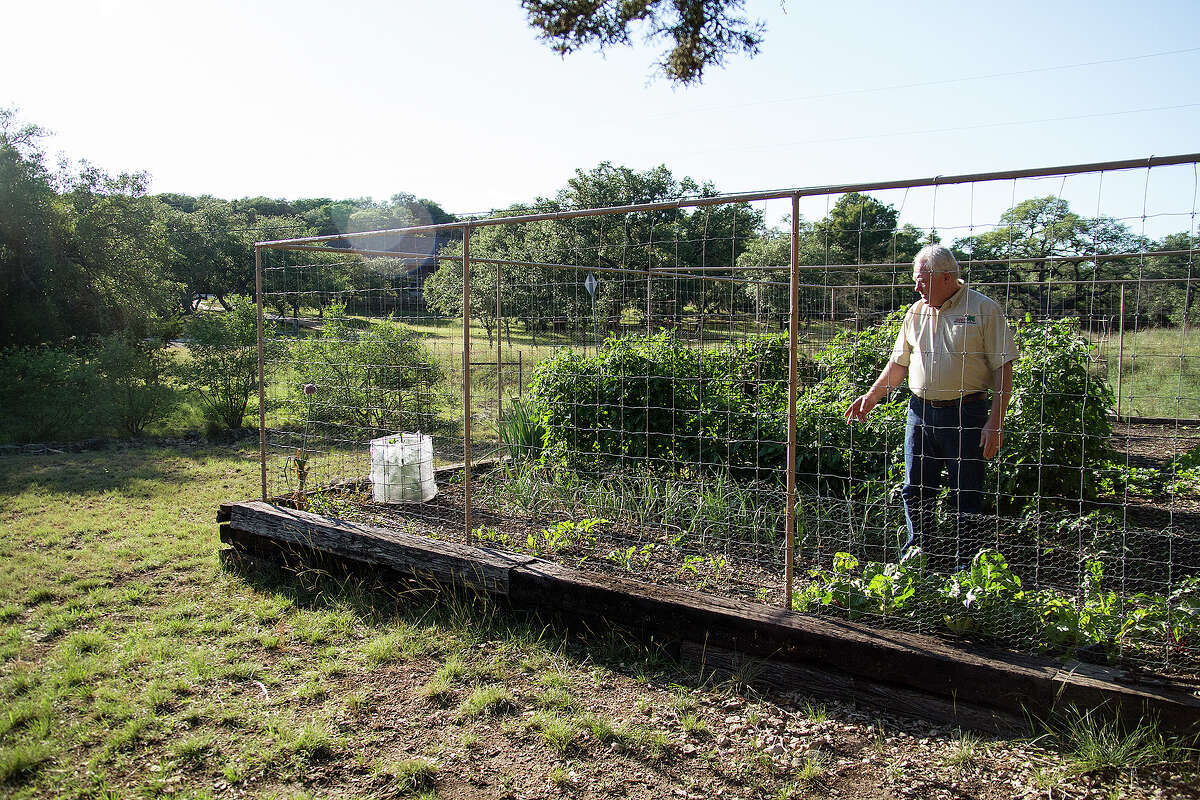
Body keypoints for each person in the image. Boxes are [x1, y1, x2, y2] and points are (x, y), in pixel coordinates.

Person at [844, 245, 1017, 570]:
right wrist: (870, 398)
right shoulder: (916, 312)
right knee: (915, 490)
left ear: (946, 277)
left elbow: (1003, 367)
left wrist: (995, 422)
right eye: (916, 281)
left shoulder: (983, 309)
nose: (916, 287)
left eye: (922, 280)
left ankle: (967, 570)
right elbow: (899, 364)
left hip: (966, 414)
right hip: (920, 413)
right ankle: (918, 560)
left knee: (966, 494)